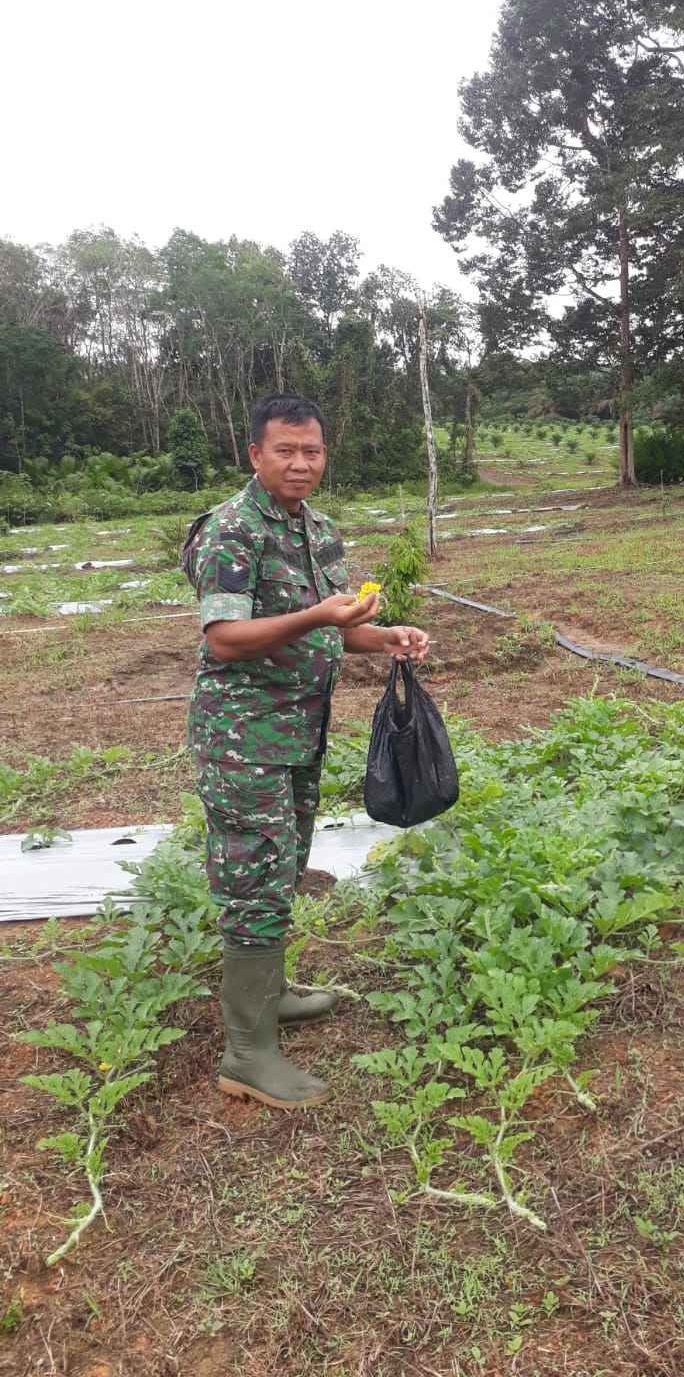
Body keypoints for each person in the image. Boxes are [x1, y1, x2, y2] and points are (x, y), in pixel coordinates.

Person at [183, 394, 429, 1107]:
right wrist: (320, 614)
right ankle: (248, 1052)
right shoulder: (233, 530)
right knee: (252, 876)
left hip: (298, 732)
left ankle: (271, 996)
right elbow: (223, 638)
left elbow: (332, 626)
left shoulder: (317, 529)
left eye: (312, 451)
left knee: (282, 864)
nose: (300, 463)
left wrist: (384, 636)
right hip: (244, 738)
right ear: (255, 454)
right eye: (285, 450)